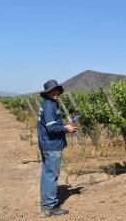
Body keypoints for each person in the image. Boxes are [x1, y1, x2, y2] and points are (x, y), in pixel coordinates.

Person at [37, 79, 77, 218]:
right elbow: (52, 127)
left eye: (57, 90)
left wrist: (64, 127)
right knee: (51, 175)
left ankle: (46, 204)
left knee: (47, 175)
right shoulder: (49, 105)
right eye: (53, 91)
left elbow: (52, 124)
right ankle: (50, 207)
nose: (56, 93)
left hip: (47, 144)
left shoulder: (49, 104)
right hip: (52, 145)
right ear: (47, 93)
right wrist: (66, 129)